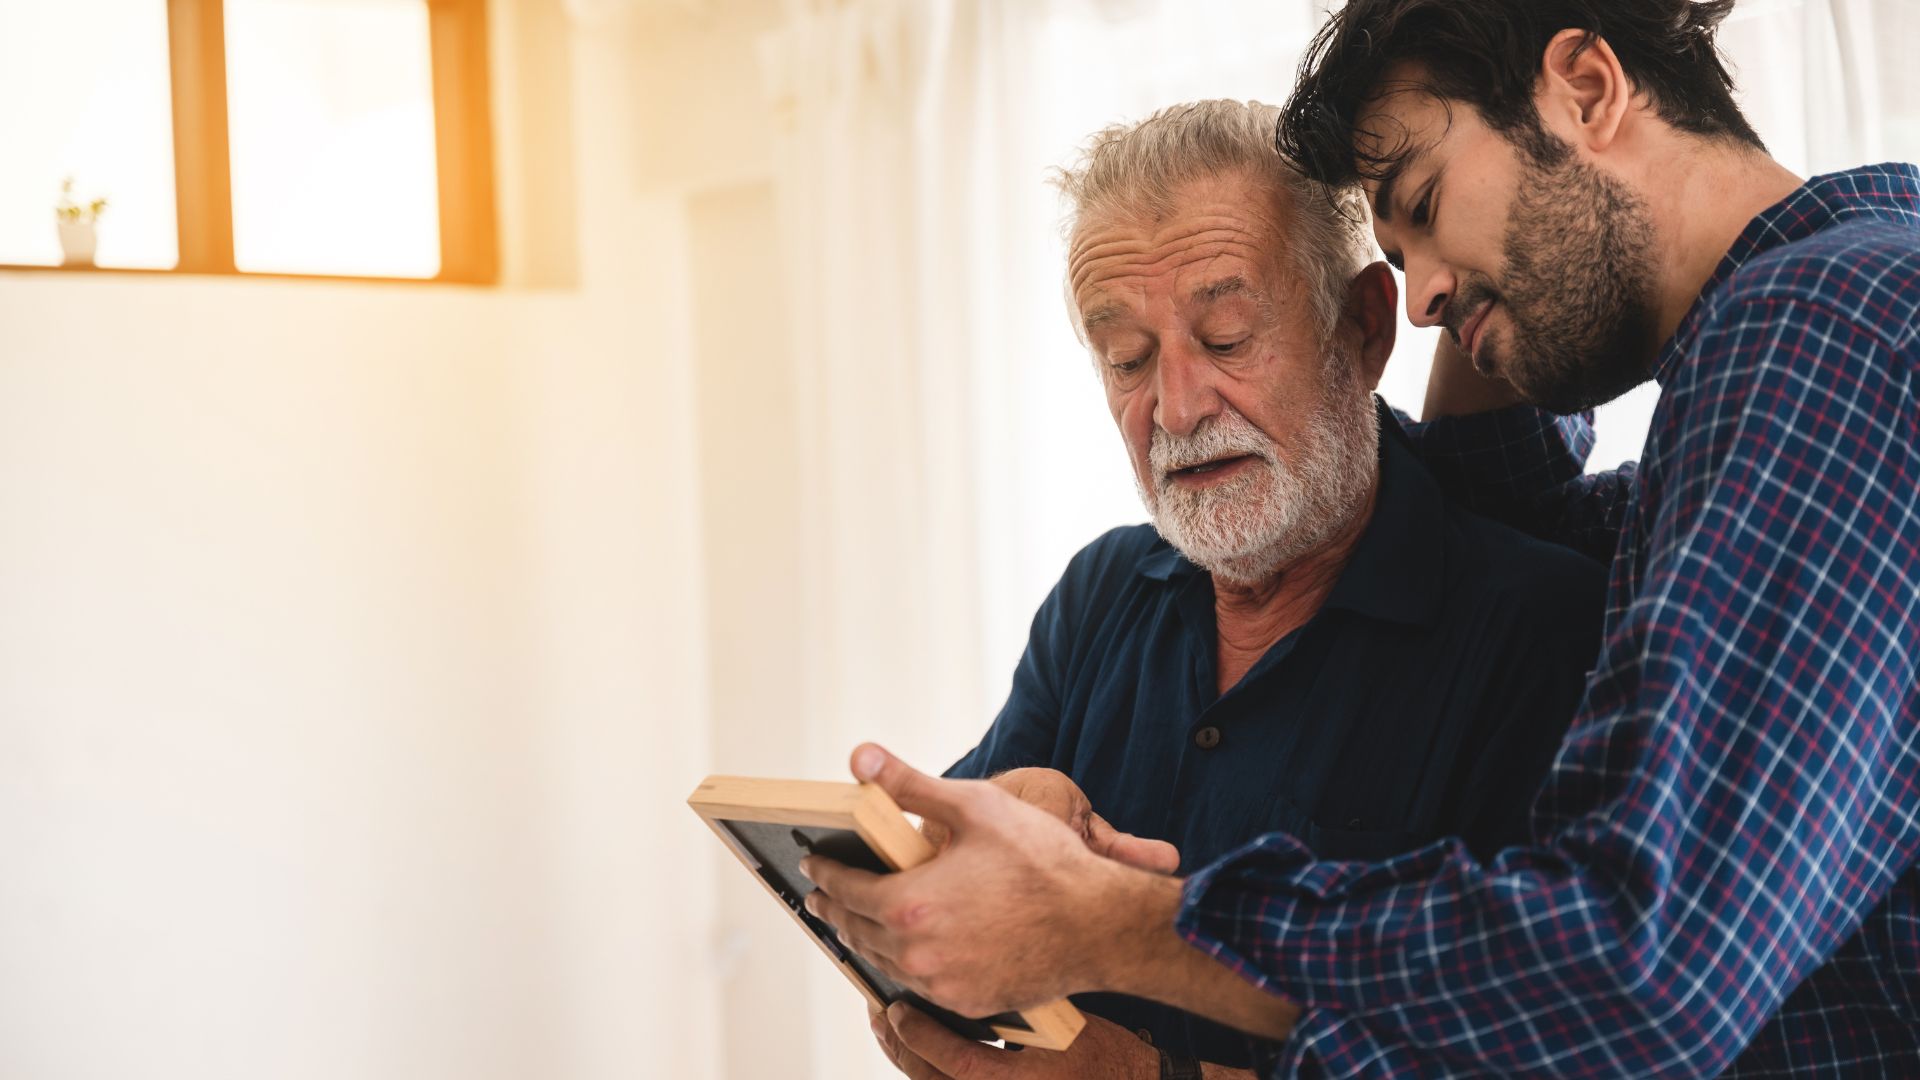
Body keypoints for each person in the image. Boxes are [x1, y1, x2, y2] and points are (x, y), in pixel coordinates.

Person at [803, 2, 1920, 1077]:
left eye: (1426, 201)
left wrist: (1125, 931)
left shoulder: (1818, 332)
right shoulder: (1751, 396)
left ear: (1587, 87)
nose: (1427, 296)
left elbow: (1638, 964)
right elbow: (1499, 495)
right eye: (1129, 359)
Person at [818, 99, 1606, 1078]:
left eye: (1228, 337)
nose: (1178, 408)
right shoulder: (1101, 593)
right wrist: (960, 870)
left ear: (1361, 330)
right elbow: (939, 939)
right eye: (1129, 360)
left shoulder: (1539, 625)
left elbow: (1536, 1040)